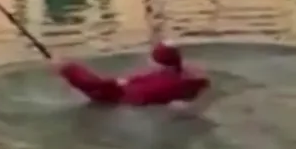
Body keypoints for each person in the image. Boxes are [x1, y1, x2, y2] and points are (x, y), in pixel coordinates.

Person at [57, 42, 210, 107]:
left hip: (130, 112)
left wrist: (67, 69)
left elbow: (101, 91)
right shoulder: (191, 77)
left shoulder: (147, 87)